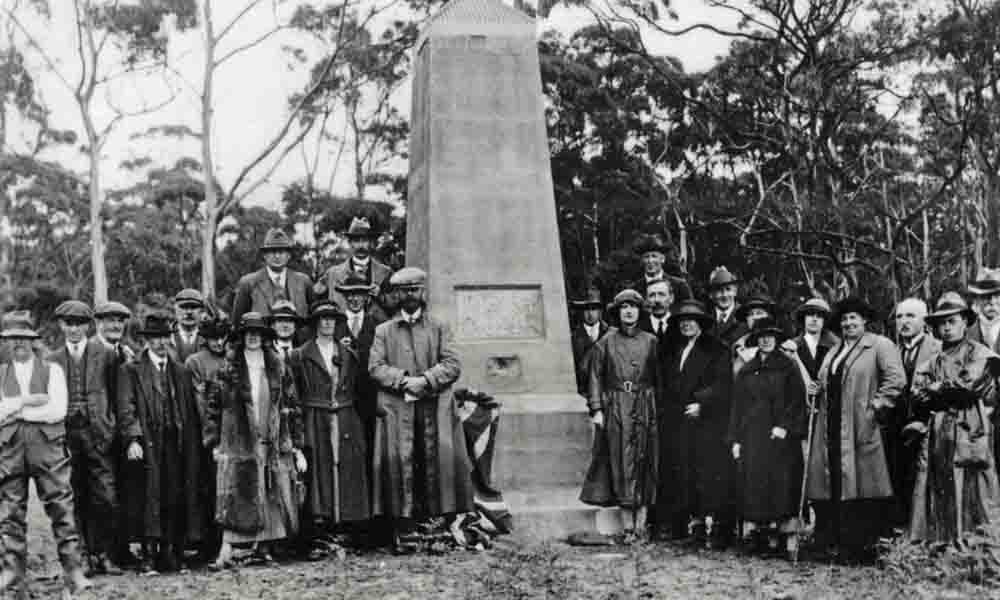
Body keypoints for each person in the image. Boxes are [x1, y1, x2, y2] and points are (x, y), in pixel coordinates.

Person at [369, 267, 474, 545]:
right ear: (397, 295)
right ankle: (404, 523)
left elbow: (452, 364)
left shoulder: (439, 327)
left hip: (433, 405)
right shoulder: (384, 331)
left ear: (423, 292)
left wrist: (425, 381)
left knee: (435, 458)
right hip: (398, 407)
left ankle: (437, 519)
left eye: (415, 290)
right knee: (401, 460)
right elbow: (376, 367)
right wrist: (404, 381)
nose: (410, 296)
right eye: (404, 291)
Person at [807, 297, 905, 563]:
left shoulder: (880, 345)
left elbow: (896, 379)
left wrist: (875, 408)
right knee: (834, 483)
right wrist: (816, 389)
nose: (849, 323)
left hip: (862, 427)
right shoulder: (834, 349)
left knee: (863, 485)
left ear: (865, 320)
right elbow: (825, 381)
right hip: (832, 427)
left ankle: (862, 547)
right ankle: (834, 543)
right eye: (845, 319)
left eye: (854, 318)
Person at [0, 311, 91, 596]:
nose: (19, 344)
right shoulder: (0, 373)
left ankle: (74, 572)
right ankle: (12, 577)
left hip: (48, 448)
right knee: (10, 513)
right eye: (13, 339)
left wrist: (12, 409)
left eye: (24, 339)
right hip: (10, 449)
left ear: (33, 340)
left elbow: (56, 411)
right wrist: (28, 401)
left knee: (62, 509)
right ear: (6, 342)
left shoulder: (52, 371)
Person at [206, 312, 305, 568]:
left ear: (264, 338)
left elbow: (292, 407)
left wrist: (296, 445)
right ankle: (226, 550)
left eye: (257, 334)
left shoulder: (278, 367)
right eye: (248, 334)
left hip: (271, 439)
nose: (253, 338)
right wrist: (215, 443)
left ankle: (263, 548)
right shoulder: (228, 370)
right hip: (239, 442)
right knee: (236, 495)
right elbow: (213, 409)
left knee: (270, 492)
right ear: (241, 338)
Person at [117, 311, 205, 573]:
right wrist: (133, 438)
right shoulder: (130, 370)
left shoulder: (180, 370)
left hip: (175, 441)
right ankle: (148, 555)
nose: (160, 343)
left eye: (164, 337)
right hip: (148, 440)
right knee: (147, 496)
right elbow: (126, 407)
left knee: (174, 494)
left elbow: (189, 411)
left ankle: (172, 552)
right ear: (146, 341)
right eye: (154, 338)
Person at [909, 292, 999, 545]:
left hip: (970, 426)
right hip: (939, 428)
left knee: (975, 484)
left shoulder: (979, 353)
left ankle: (978, 545)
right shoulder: (933, 360)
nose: (946, 328)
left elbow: (969, 386)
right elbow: (917, 393)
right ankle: (942, 542)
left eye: (952, 321)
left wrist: (940, 389)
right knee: (938, 483)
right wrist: (937, 391)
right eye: (942, 323)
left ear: (964, 322)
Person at [289, 301, 370, 556]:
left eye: (331, 319)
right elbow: (295, 394)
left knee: (346, 468)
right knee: (319, 470)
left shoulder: (348, 355)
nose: (327, 323)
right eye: (322, 319)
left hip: (345, 416)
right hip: (315, 415)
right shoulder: (301, 355)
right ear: (315, 323)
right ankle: (320, 530)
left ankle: (344, 526)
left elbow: (358, 389)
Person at [48, 300, 122, 576]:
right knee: (75, 496)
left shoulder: (105, 354)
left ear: (88, 325)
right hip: (67, 437)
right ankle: (83, 557)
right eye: (69, 324)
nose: (75, 329)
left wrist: (110, 426)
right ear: (61, 326)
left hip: (98, 434)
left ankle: (104, 553)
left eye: (80, 324)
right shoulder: (52, 359)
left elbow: (116, 394)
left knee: (105, 496)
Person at [579, 290, 659, 538]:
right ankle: (627, 527)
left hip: (646, 404)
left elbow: (661, 377)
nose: (629, 311)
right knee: (621, 461)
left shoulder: (651, 341)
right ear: (617, 311)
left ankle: (642, 524)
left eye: (633, 306)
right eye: (624, 306)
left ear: (640, 311)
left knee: (646, 460)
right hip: (617, 406)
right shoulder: (606, 341)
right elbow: (594, 375)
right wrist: (597, 408)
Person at [729, 317, 807, 558]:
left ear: (776, 338)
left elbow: (797, 401)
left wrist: (784, 426)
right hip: (753, 438)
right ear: (756, 340)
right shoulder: (746, 370)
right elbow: (737, 407)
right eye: (761, 336)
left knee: (782, 486)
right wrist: (735, 439)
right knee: (756, 486)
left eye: (770, 336)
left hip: (781, 439)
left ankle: (785, 539)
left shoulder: (788, 366)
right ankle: (762, 537)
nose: (766, 340)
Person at [657, 300, 733, 547]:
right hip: (679, 421)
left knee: (708, 472)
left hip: (707, 422)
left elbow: (723, 383)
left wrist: (703, 404)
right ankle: (689, 523)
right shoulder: (674, 349)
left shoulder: (717, 348)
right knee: (683, 470)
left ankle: (712, 526)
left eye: (691, 320)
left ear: (701, 323)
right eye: (682, 321)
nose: (687, 324)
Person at [92, 300, 138, 566]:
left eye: (120, 321)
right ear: (99, 323)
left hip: (122, 435)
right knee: (100, 495)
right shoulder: (92, 350)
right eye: (110, 320)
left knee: (123, 492)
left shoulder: (126, 352)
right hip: (98, 435)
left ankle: (120, 550)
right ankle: (97, 552)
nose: (116, 326)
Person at [183, 315, 231, 565]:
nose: (219, 343)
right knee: (207, 489)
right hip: (204, 434)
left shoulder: (233, 358)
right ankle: (206, 543)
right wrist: (212, 438)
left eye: (223, 337)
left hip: (232, 433)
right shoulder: (195, 362)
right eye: (213, 338)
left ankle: (229, 542)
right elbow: (199, 403)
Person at [891, 297, 940, 527]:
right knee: (899, 482)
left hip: (929, 429)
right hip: (896, 430)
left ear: (924, 320)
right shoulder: (891, 351)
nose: (904, 321)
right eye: (900, 316)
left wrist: (923, 421)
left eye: (911, 316)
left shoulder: (938, 349)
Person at [335, 273, 385, 477]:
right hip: (343, 397)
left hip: (370, 396)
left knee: (370, 445)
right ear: (344, 297)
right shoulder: (335, 325)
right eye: (350, 295)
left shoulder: (378, 326)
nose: (354, 299)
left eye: (359, 294)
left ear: (367, 297)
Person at [232, 228, 315, 343]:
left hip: (299, 350)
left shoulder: (304, 281)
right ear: (265, 255)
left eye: (281, 252)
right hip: (263, 350)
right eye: (272, 251)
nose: (277, 256)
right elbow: (237, 324)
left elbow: (313, 320)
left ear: (288, 255)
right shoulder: (248, 283)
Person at [324, 217, 394, 320]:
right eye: (356, 241)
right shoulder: (333, 273)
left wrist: (380, 295)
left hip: (375, 331)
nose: (361, 245)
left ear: (370, 243)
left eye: (365, 240)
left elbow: (395, 304)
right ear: (350, 243)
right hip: (342, 330)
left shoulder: (386, 272)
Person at [570, 289, 609, 397]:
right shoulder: (572, 338)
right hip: (583, 393)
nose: (590, 313)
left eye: (593, 309)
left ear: (600, 311)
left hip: (608, 392)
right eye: (585, 309)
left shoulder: (610, 334)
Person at [630, 234, 691, 301]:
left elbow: (688, 309)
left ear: (662, 259)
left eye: (654, 256)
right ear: (642, 260)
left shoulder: (679, 286)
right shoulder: (634, 289)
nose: (650, 261)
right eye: (646, 257)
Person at [706, 267, 746, 348]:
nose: (724, 295)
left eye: (728, 289)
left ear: (735, 291)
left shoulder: (745, 317)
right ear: (711, 295)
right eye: (719, 290)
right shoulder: (705, 316)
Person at [967, 267, 1000, 353]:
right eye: (986, 296)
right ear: (977, 300)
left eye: (997, 296)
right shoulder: (966, 336)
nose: (992, 302)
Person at [170, 289, 205, 364]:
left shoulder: (211, 338)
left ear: (201, 311)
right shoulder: (164, 337)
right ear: (175, 310)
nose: (189, 312)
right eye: (183, 307)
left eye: (194, 307)